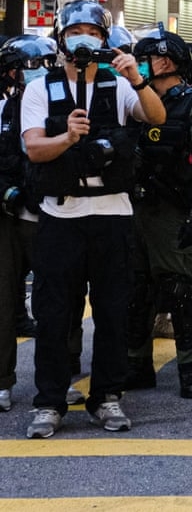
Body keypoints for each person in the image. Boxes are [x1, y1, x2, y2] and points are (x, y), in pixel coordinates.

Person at [22, 0, 166, 439]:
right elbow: (33, 149)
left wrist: (137, 78)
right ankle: (49, 401)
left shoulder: (117, 84)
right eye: (75, 31)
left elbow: (155, 116)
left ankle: (107, 397)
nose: (84, 39)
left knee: (113, 312)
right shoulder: (39, 88)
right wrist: (67, 136)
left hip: (112, 214)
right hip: (60, 215)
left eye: (93, 32)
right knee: (53, 313)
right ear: (62, 38)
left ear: (105, 40)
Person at [122, 26, 192, 401]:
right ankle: (137, 364)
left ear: (164, 61)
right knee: (136, 289)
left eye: (145, 60)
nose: (140, 67)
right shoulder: (134, 101)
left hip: (172, 210)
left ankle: (188, 367)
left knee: (179, 289)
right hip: (136, 208)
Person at [0, 36, 59, 414]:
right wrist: (7, 192)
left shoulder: (61, 102)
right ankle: (3, 382)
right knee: (4, 303)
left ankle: (56, 380)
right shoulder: (4, 108)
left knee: (57, 304)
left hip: (55, 214)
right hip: (10, 219)